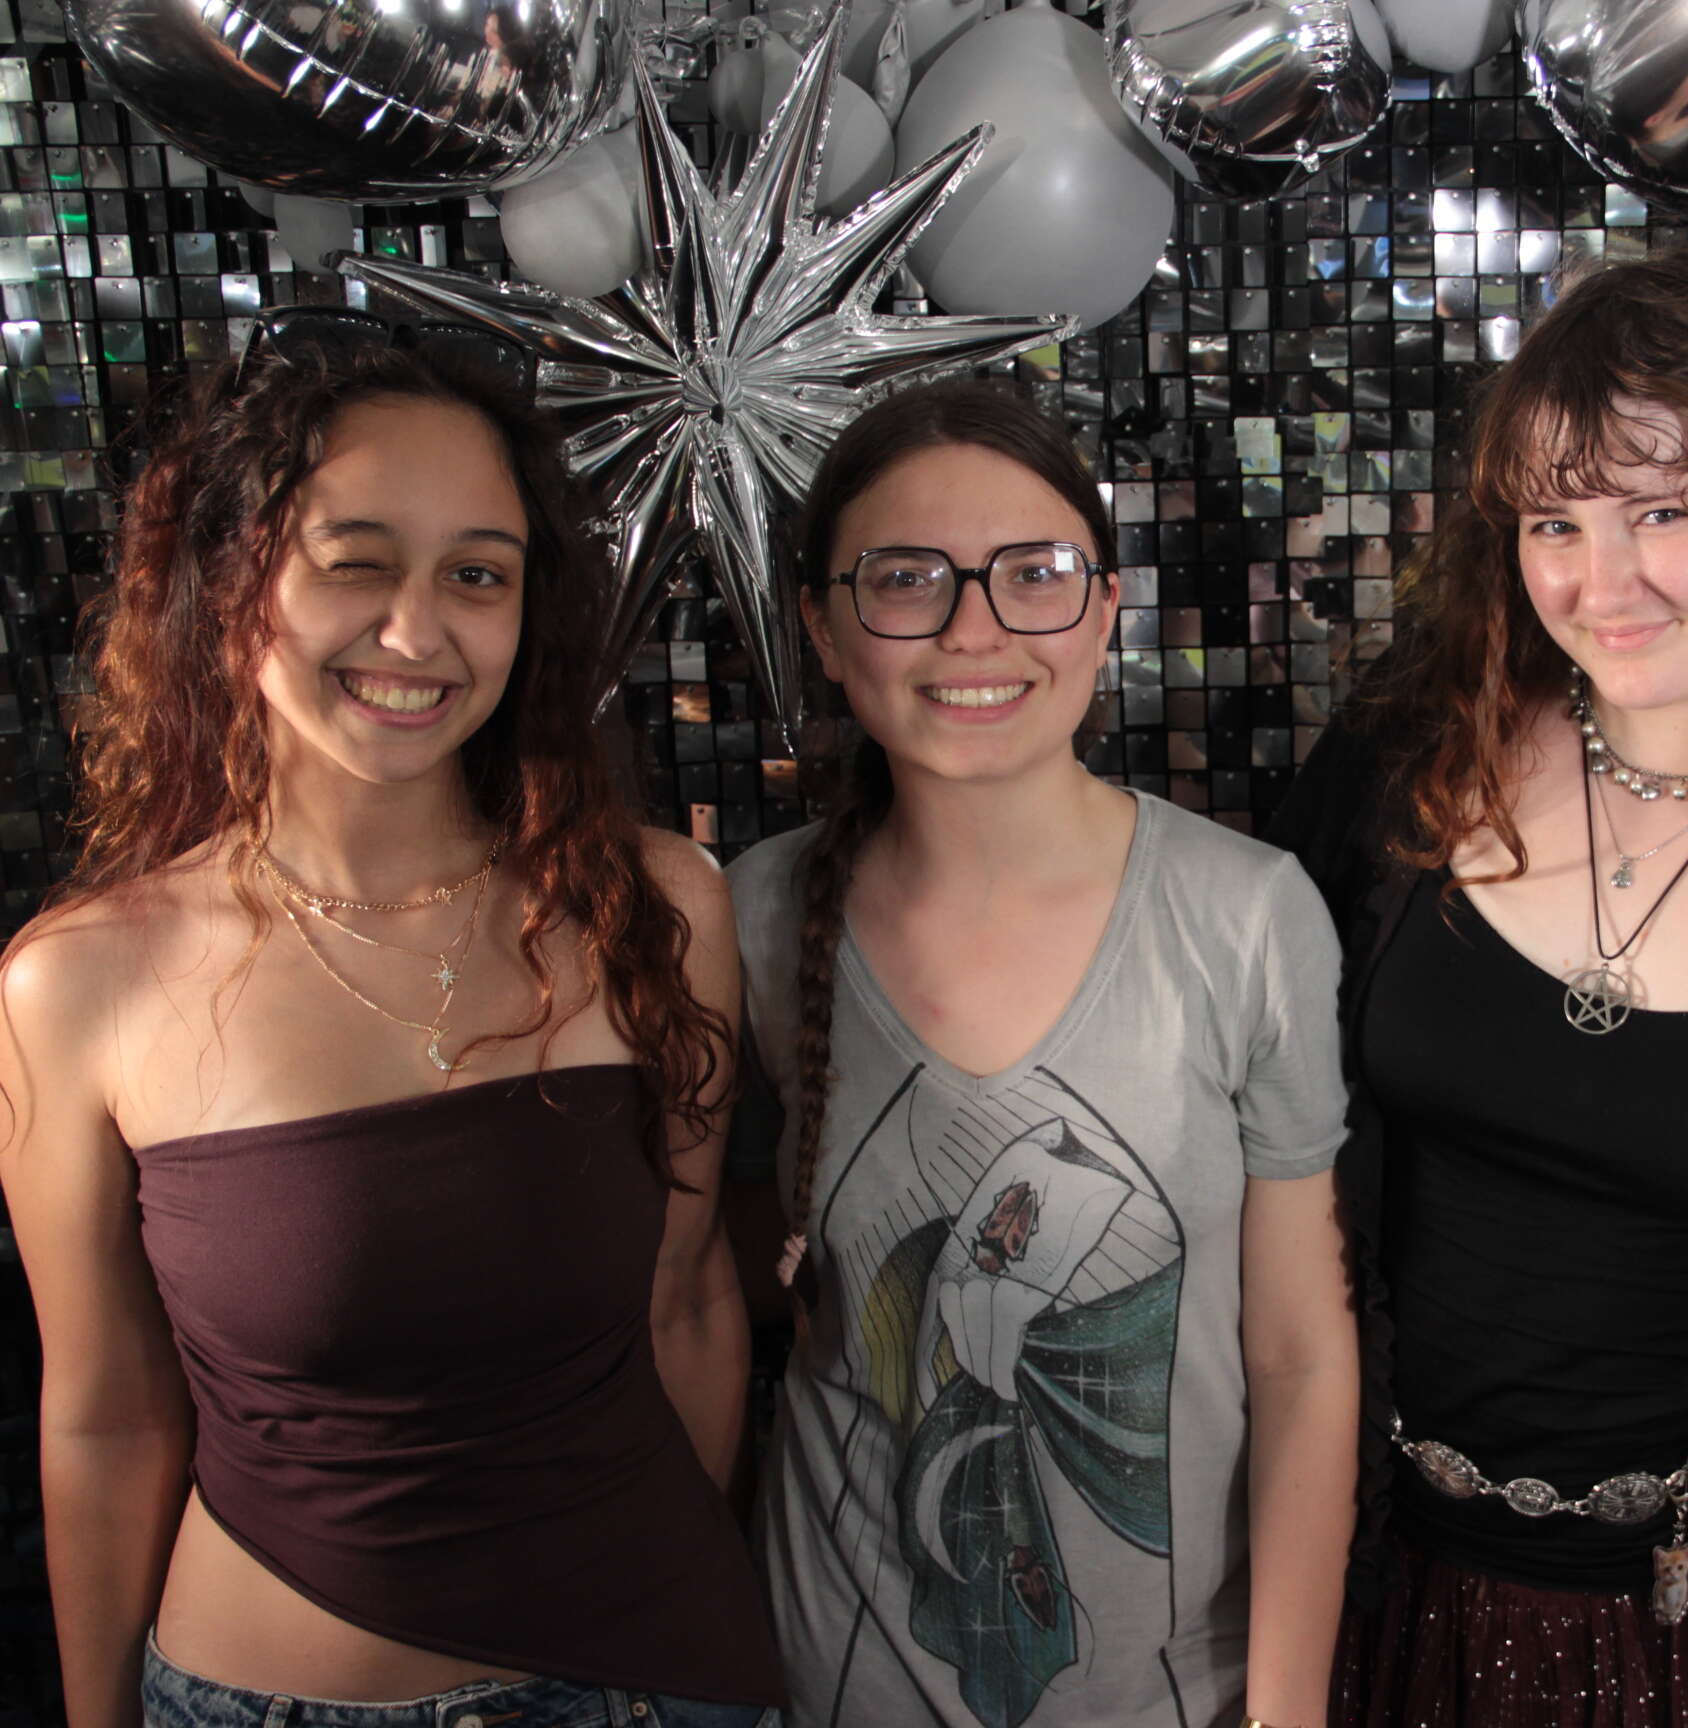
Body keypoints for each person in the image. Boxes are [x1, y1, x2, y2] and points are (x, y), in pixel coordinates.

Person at [0, 311, 781, 1728]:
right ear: (230, 582)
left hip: (658, 1689)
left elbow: (688, 1301)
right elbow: (107, 1416)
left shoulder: (657, 904)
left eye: (476, 574)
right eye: (355, 562)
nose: (417, 632)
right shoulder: (80, 982)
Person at [1268, 247, 1688, 1726]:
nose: (1603, 583)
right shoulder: (1406, 758)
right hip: (1375, 1580)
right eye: (1555, 522)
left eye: (1663, 511)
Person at [730, 379, 1355, 1728]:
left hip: (1177, 1696)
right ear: (824, 628)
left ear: (1105, 607)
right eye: (907, 579)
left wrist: (1286, 1709)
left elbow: (1301, 1356)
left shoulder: (1247, 916)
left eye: (1036, 574)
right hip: (833, 1685)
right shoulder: (751, 917)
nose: (975, 629)